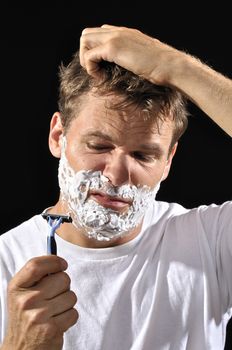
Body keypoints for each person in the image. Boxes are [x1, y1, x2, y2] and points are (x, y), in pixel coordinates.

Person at [0, 24, 231, 350]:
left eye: (143, 155)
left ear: (168, 161)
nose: (118, 175)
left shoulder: (212, 242)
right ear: (58, 137)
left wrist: (172, 66)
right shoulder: (4, 262)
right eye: (98, 146)